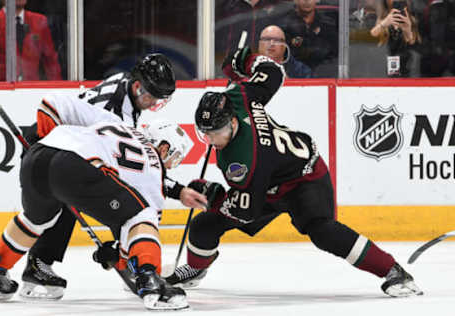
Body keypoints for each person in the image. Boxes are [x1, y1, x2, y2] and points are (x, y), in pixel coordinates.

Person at [164, 45, 423, 298]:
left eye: (216, 133)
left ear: (232, 122)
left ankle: (393, 271)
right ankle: (197, 269)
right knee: (203, 226)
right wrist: (244, 62)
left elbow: (247, 211)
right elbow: (273, 71)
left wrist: (214, 194)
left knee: (323, 232)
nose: (211, 140)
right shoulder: (239, 95)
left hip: (303, 177)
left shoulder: (242, 160)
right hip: (268, 179)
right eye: (205, 133)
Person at [16, 53, 207, 300]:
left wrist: (178, 191)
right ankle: (36, 265)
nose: (153, 104)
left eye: (160, 100)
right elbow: (128, 176)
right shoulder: (117, 113)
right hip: (52, 143)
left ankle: (35, 265)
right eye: (152, 97)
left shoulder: (125, 85)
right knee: (65, 203)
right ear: (138, 86)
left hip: (63, 146)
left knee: (72, 200)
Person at [0, 119, 193, 310]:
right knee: (141, 214)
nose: (172, 164)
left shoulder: (119, 127)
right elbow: (141, 227)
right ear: (163, 148)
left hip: (38, 155)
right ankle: (153, 285)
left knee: (37, 220)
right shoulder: (153, 165)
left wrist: (118, 254)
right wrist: (122, 259)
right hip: (74, 165)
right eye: (174, 156)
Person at [0, 0, 62, 81]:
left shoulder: (39, 20)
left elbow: (50, 61)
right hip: (2, 88)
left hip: (31, 87)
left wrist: (59, 90)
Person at [281, 0, 338, 77]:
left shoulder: (328, 23)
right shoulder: (284, 25)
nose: (307, 1)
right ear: (295, 1)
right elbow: (284, 54)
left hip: (325, 74)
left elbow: (335, 52)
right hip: (294, 75)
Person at [369, 0, 421, 77]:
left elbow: (413, 43)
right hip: (387, 61)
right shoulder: (383, 18)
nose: (395, 1)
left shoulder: (410, 19)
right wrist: (385, 23)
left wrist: (407, 29)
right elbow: (373, 35)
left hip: (406, 63)